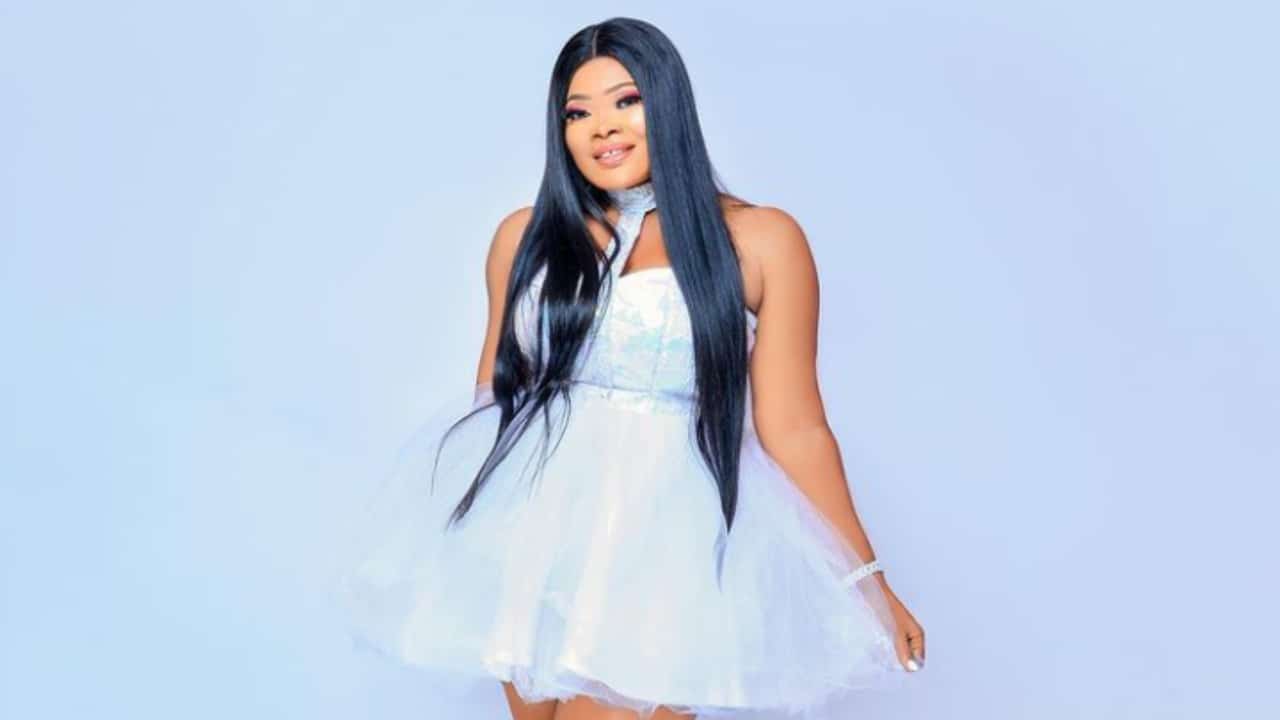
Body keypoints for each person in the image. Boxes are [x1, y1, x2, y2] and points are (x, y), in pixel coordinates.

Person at [338, 16, 926, 720]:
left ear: (668, 104)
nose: (602, 128)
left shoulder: (762, 240)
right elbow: (495, 397)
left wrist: (866, 579)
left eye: (626, 100)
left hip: (662, 546)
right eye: (577, 113)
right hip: (536, 537)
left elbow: (795, 428)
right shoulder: (523, 237)